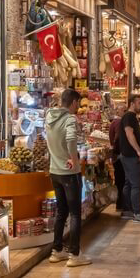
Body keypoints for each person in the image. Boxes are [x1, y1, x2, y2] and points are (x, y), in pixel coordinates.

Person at [45, 89, 91, 267]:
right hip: (69, 173)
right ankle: (74, 254)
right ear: (73, 102)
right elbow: (71, 139)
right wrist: (74, 159)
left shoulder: (49, 116)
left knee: (61, 212)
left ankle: (57, 251)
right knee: (75, 214)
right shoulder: (69, 119)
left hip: (54, 171)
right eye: (77, 103)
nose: (78, 107)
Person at [117, 94, 140, 224]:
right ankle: (137, 212)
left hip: (128, 154)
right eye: (139, 103)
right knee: (136, 184)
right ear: (132, 103)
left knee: (129, 183)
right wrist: (138, 151)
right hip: (130, 155)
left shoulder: (131, 117)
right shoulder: (129, 117)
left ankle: (127, 210)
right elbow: (129, 134)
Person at [108, 109, 129, 214]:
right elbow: (117, 138)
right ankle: (122, 204)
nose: (125, 112)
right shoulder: (119, 123)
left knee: (118, 179)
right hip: (120, 155)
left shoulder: (113, 123)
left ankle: (119, 203)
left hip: (116, 155)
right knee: (122, 180)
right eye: (124, 110)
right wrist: (120, 151)